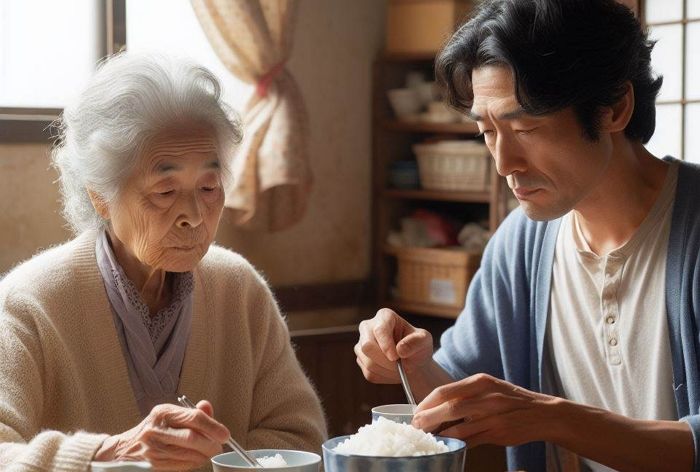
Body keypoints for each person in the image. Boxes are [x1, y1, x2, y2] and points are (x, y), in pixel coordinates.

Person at [355, 1, 700, 471]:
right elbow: (457, 390)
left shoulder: (693, 229)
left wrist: (553, 420)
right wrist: (412, 363)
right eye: (487, 132)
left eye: (526, 127)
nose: (504, 163)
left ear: (614, 108)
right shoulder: (521, 244)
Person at [0, 52, 326, 471]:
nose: (193, 214)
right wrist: (107, 455)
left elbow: (301, 436)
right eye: (165, 191)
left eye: (208, 187)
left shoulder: (239, 291)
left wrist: (213, 462)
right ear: (100, 195)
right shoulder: (28, 304)